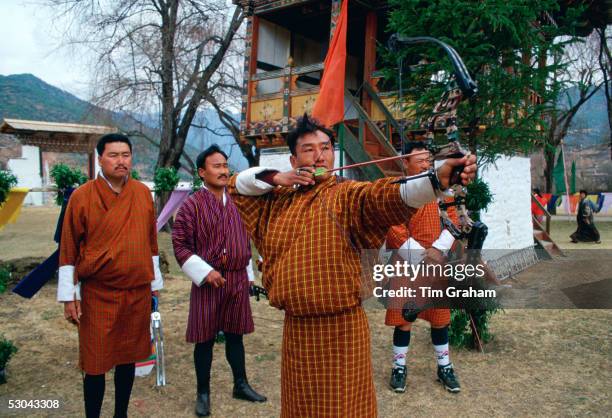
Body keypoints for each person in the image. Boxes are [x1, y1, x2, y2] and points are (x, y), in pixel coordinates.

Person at [227, 115, 477, 417]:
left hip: (343, 328)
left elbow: (384, 196)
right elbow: (236, 185)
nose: (320, 155)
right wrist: (277, 178)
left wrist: (437, 179)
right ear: (293, 158)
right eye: (309, 149)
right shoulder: (275, 200)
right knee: (302, 409)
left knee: (346, 408)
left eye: (325, 148)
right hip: (298, 331)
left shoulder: (348, 195)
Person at [58, 133, 164, 418]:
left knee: (128, 358)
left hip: (136, 291)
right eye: (113, 155)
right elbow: (68, 248)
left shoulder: (142, 193)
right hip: (98, 294)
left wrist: (154, 287)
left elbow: (151, 243)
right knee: (95, 362)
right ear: (100, 159)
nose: (121, 161)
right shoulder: (82, 196)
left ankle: (121, 414)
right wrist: (69, 297)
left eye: (126, 155)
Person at [172, 145, 266, 417]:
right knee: (205, 338)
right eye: (216, 166)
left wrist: (248, 276)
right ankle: (203, 393)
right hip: (207, 281)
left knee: (236, 335)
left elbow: (244, 242)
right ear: (202, 172)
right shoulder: (191, 206)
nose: (223, 170)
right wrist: (204, 272)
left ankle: (241, 384)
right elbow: (180, 245)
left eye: (225, 165)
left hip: (237, 278)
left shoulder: (238, 201)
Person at [384, 141, 461, 394]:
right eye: (420, 161)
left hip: (436, 262)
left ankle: (444, 366)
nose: (426, 165)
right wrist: (419, 255)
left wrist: (438, 250)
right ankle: (399, 367)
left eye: (428, 161)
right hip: (407, 263)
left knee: (440, 319)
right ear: (406, 164)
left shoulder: (443, 189)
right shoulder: (399, 190)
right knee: (403, 319)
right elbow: (394, 227)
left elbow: (454, 221)